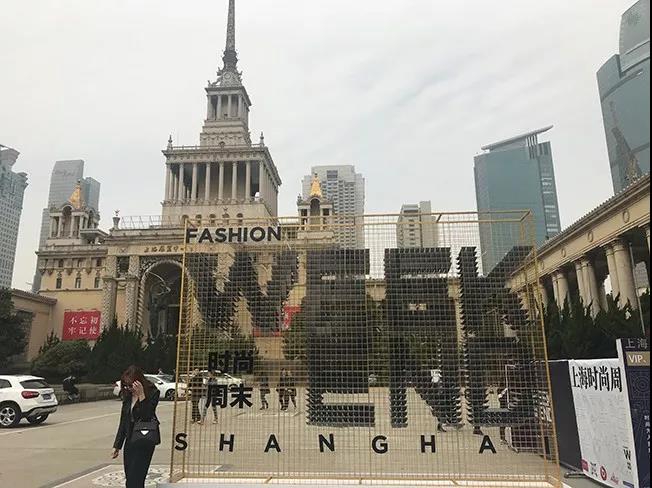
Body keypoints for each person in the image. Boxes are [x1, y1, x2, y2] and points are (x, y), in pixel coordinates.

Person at [112, 365, 160, 488]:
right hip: (130, 439)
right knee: (130, 477)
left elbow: (147, 416)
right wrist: (117, 445)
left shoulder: (153, 392)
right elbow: (124, 421)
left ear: (138, 382)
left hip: (144, 439)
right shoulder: (128, 395)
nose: (128, 388)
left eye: (130, 385)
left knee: (137, 478)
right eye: (125, 385)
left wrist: (141, 395)